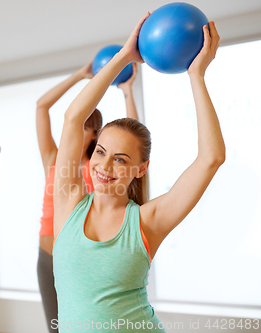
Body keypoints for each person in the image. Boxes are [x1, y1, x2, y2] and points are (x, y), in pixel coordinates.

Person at [52, 13, 223, 332]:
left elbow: (210, 158)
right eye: (100, 152)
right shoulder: (68, 204)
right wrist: (124, 57)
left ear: (140, 168)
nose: (104, 166)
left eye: (119, 159)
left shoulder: (148, 221)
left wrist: (196, 75)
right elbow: (73, 118)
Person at [36, 61, 140, 333]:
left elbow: (135, 139)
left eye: (84, 125)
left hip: (81, 258)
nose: (74, 129)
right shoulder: (53, 160)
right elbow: (41, 106)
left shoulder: (100, 169)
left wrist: (127, 92)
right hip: (47, 257)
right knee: (55, 328)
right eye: (75, 123)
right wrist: (81, 75)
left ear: (95, 134)